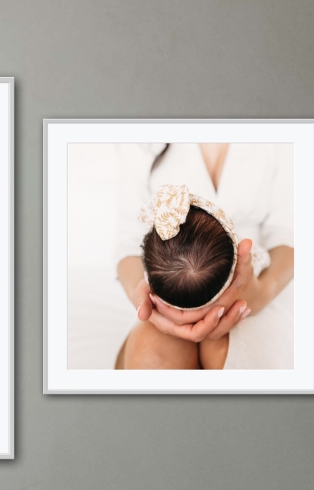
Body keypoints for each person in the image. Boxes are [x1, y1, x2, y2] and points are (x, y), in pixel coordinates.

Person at [114, 143, 295, 370]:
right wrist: (143, 296)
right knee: (153, 350)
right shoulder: (142, 136)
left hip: (267, 285)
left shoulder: (285, 133)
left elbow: (291, 232)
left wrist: (260, 291)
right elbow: (129, 241)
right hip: (169, 289)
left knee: (232, 354)